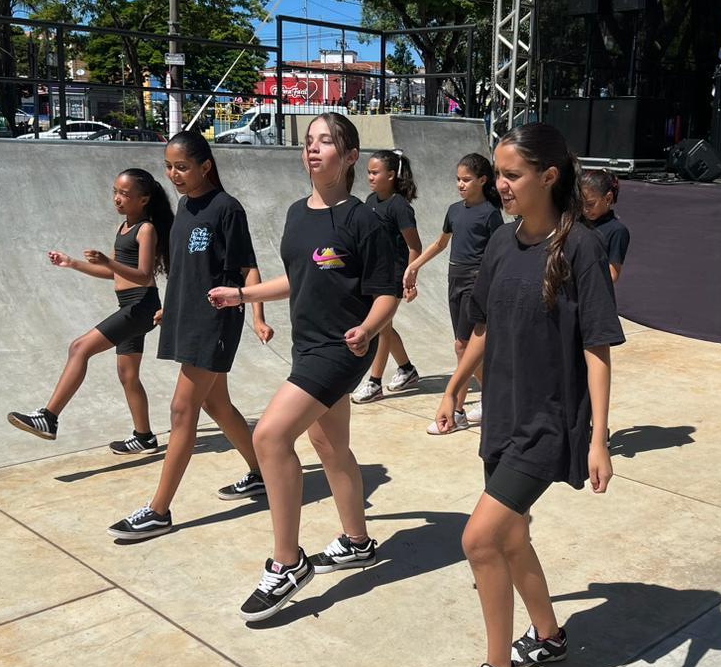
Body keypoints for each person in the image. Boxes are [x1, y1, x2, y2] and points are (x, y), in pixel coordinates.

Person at [440, 122, 623, 667]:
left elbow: (598, 346)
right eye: (497, 173)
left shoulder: (581, 248)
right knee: (512, 536)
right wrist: (455, 385)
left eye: (512, 174)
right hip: (502, 415)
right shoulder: (501, 241)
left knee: (480, 539)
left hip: (548, 423)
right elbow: (485, 327)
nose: (501, 184)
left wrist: (599, 438)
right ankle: (548, 636)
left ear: (548, 176)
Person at [209, 112, 399, 622]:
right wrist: (243, 295)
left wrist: (369, 329)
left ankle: (287, 562)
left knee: (270, 437)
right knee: (329, 445)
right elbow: (299, 278)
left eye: (326, 141)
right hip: (307, 344)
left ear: (351, 156)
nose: (313, 148)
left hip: (343, 349)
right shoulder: (297, 214)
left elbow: (387, 293)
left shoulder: (365, 221)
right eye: (309, 141)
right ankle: (357, 541)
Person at [107, 132, 272, 540]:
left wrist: (257, 315)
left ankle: (158, 510)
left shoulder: (227, 208)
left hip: (216, 321)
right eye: (168, 167)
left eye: (181, 167)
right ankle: (263, 471)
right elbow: (186, 269)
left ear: (205, 166)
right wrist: (172, 306)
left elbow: (247, 267)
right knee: (217, 404)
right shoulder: (184, 207)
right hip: (188, 317)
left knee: (183, 410)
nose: (173, 175)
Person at [7, 168, 172, 453]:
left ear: (144, 199)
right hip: (130, 305)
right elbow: (114, 274)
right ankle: (144, 436)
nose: (117, 198)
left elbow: (144, 275)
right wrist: (72, 263)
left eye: (125, 194)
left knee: (79, 347)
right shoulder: (123, 228)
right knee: (128, 375)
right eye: (115, 192)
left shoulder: (146, 229)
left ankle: (49, 417)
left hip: (141, 306)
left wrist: (108, 261)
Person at [404, 152, 505, 433]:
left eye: (466, 179)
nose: (460, 184)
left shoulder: (490, 214)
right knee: (466, 347)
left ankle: (457, 412)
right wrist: (414, 266)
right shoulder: (453, 210)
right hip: (454, 280)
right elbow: (440, 243)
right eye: (458, 179)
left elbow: (499, 252)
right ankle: (493, 398)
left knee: (462, 346)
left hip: (476, 282)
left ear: (482, 180)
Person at [352, 149, 422, 404]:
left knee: (381, 328)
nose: (370, 177)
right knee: (385, 326)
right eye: (368, 172)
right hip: (372, 272)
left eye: (375, 172)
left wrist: (410, 278)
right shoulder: (371, 200)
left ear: (391, 175)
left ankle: (375, 382)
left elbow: (415, 246)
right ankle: (406, 369)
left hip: (393, 275)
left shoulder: (399, 206)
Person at [580, 169, 631, 279]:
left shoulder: (616, 231)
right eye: (580, 203)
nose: (585, 209)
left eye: (590, 204)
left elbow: (612, 274)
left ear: (608, 198)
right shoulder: (575, 222)